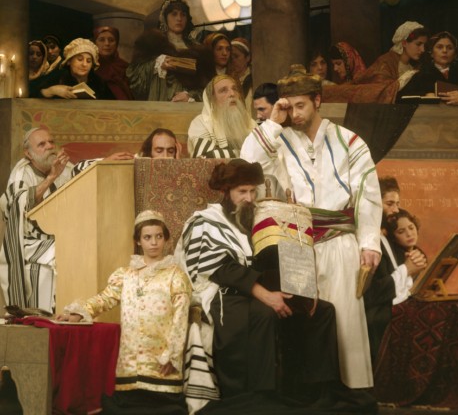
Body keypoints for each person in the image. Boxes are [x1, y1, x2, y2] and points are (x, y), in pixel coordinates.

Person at [241, 64, 382, 393]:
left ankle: (350, 391)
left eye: (301, 105)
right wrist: (273, 121)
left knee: (344, 316)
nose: (295, 113)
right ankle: (311, 393)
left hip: (339, 240)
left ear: (318, 100)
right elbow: (248, 162)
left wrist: (369, 242)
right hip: (297, 244)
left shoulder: (349, 141)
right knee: (307, 317)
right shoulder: (280, 140)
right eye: (288, 106)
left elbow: (368, 193)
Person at [175, 159, 341, 409]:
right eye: (242, 191)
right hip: (224, 292)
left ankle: (314, 393)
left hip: (256, 287)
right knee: (264, 315)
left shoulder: (255, 218)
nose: (250, 198)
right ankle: (260, 398)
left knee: (322, 311)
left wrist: (304, 289)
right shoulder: (204, 222)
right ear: (225, 192)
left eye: (253, 191)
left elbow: (271, 259)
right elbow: (222, 270)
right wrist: (266, 296)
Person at [57, 210, 191, 415]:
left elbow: (181, 318)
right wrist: (80, 312)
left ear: (165, 239)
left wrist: (172, 355)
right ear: (138, 241)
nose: (154, 242)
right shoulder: (125, 275)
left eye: (158, 236)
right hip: (129, 367)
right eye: (147, 237)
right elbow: (105, 298)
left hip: (162, 365)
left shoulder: (176, 276)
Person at [0, 127, 133, 312]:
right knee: (67, 250)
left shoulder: (63, 166)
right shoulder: (22, 173)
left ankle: (83, 307)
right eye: (42, 144)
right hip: (32, 241)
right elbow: (19, 205)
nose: (49, 147)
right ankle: (59, 310)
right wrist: (52, 177)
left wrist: (105, 162)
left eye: (51, 142)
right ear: (28, 154)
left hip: (62, 234)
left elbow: (81, 171)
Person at [373, 209, 458, 409]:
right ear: (393, 236)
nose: (409, 234)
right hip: (395, 306)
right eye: (401, 231)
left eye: (411, 228)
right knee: (456, 312)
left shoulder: (417, 253)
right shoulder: (391, 253)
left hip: (414, 301)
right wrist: (408, 271)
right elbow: (395, 292)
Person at [364, 178, 427, 362]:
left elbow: (406, 258)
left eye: (397, 204)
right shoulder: (368, 241)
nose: (396, 210)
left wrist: (416, 260)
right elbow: (371, 293)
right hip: (377, 313)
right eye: (390, 204)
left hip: (394, 305)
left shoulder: (386, 237)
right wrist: (407, 269)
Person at [127, 0, 214, 102]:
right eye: (174, 14)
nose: (179, 18)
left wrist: (190, 95)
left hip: (187, 104)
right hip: (159, 99)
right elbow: (134, 76)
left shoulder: (198, 49)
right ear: (165, 17)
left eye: (183, 15)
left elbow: (208, 85)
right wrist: (157, 64)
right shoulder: (152, 43)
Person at [406, 31, 458, 108]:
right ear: (431, 53)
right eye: (439, 47)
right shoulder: (420, 75)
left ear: (455, 54)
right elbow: (404, 96)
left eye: (450, 48)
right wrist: (425, 95)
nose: (445, 51)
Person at [188, 74, 256, 158]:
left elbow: (264, 153)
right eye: (223, 90)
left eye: (234, 89)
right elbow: (205, 156)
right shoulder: (201, 122)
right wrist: (247, 154)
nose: (232, 94)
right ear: (212, 99)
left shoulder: (251, 123)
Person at [29, 38, 114, 99]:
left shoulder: (99, 83)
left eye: (89, 61)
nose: (84, 64)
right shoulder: (57, 77)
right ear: (69, 61)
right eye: (79, 59)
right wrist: (50, 91)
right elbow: (29, 92)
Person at [94, 26, 134, 100]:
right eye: (102, 40)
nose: (107, 44)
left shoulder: (125, 66)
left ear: (117, 43)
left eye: (111, 40)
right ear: (95, 43)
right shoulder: (89, 67)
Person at [229, 37, 252, 110]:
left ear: (247, 58)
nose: (233, 61)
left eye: (236, 56)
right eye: (230, 58)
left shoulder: (253, 78)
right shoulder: (226, 78)